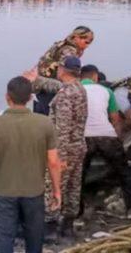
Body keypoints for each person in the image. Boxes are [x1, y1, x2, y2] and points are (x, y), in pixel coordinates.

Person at [0, 76, 62, 253]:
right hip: (34, 193)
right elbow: (53, 162)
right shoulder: (45, 123)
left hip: (2, 193)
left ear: (7, 97)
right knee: (34, 238)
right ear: (30, 98)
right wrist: (56, 191)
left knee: (4, 239)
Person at [79, 65, 131, 219]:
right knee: (124, 172)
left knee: (78, 175)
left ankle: (77, 213)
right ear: (95, 77)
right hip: (106, 135)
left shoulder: (74, 90)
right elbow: (115, 118)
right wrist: (117, 139)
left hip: (84, 137)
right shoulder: (106, 91)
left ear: (81, 77)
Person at [49, 56, 88, 239]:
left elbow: (62, 128)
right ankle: (68, 227)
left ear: (63, 70)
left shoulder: (66, 94)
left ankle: (50, 230)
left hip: (66, 149)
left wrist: (60, 157)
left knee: (55, 187)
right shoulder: (80, 88)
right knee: (73, 187)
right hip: (79, 145)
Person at [33, 26, 94, 115]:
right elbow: (66, 73)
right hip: (49, 87)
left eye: (89, 43)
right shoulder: (69, 51)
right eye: (86, 42)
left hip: (40, 83)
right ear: (76, 37)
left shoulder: (62, 44)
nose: (87, 46)